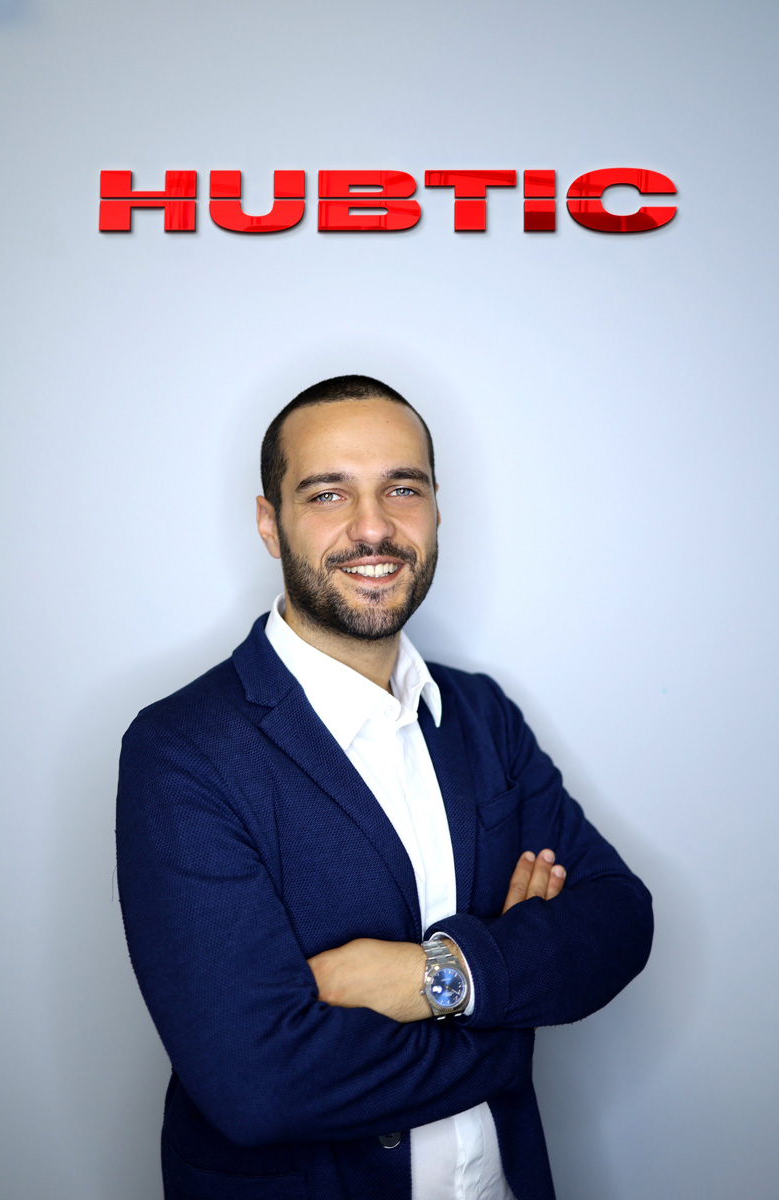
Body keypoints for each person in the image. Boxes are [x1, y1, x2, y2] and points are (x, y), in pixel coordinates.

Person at [116, 375, 653, 1200]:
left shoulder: (481, 714)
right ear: (269, 523)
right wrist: (511, 1010)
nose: (372, 528)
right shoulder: (182, 750)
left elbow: (618, 918)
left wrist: (436, 975)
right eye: (327, 494)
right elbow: (258, 1084)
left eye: (402, 489)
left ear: (436, 509)